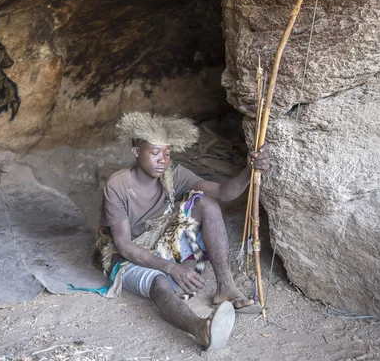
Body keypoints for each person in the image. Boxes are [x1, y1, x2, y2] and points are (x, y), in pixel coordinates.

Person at [93, 112, 271, 351]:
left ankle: (225, 286)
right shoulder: (118, 185)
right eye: (155, 153)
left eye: (167, 153)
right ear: (136, 153)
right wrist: (171, 268)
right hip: (128, 256)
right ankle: (199, 328)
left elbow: (223, 191)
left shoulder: (173, 175)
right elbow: (124, 245)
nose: (162, 160)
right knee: (159, 283)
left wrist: (249, 171)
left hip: (161, 242)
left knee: (207, 203)